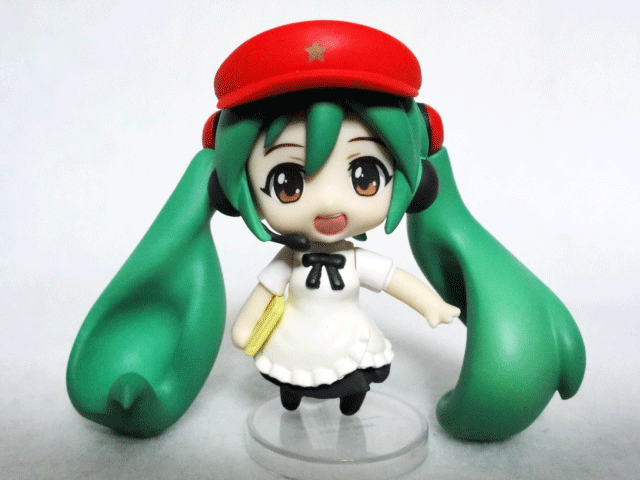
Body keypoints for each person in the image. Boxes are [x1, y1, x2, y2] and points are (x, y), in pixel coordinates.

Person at [67, 20, 585, 440]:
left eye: (364, 176)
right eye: (288, 182)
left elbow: (394, 281)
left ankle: (349, 403)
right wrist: (244, 330)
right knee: (291, 378)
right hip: (298, 338)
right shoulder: (286, 263)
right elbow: (264, 295)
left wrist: (432, 305)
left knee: (353, 375)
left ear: (416, 179)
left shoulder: (357, 260)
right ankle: (291, 399)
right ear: (231, 189)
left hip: (345, 336)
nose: (331, 203)